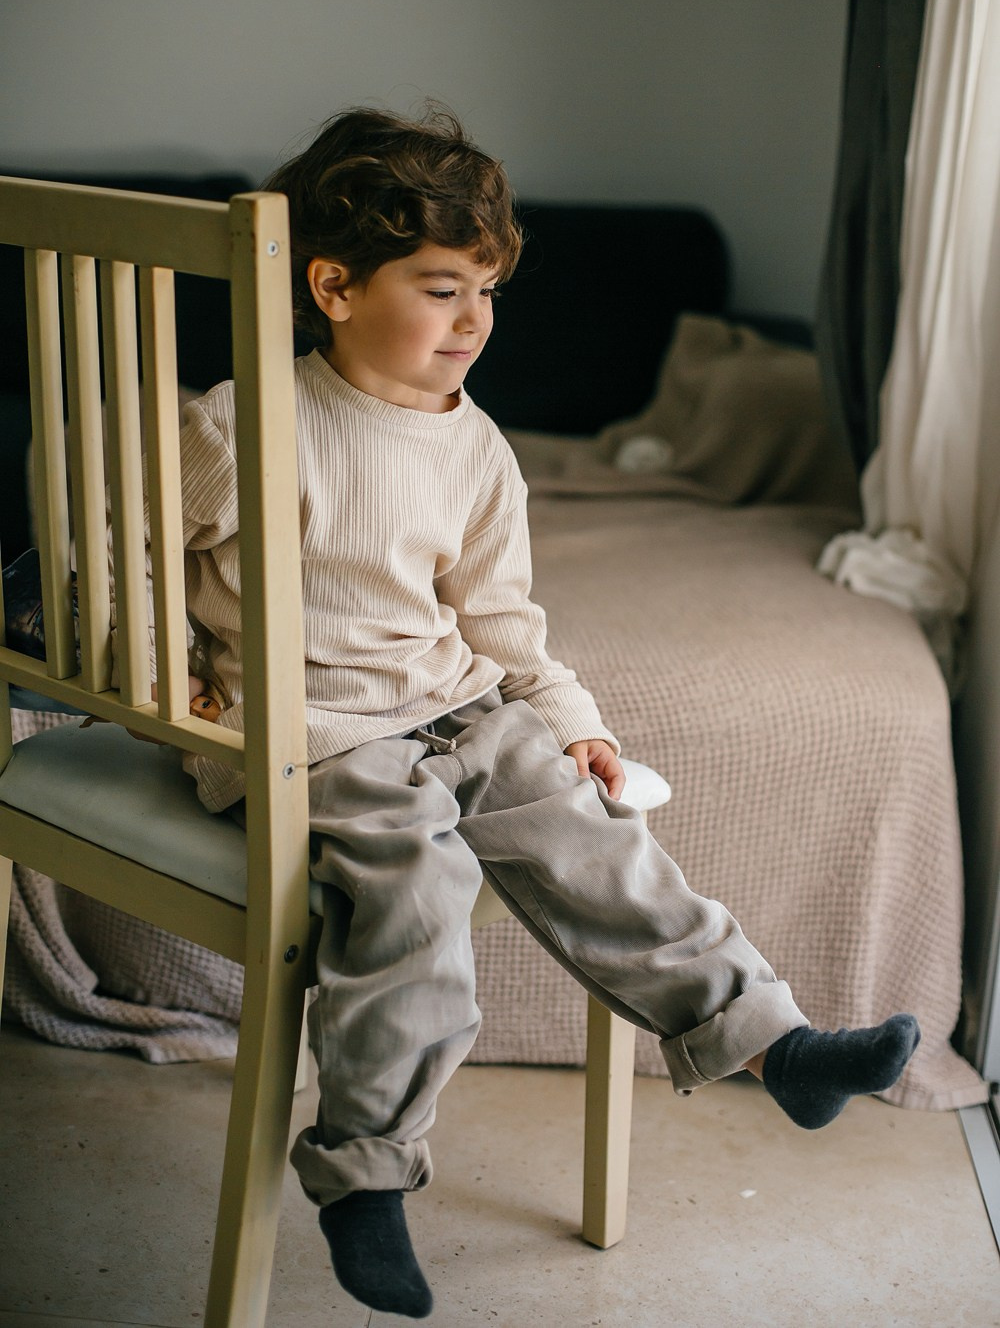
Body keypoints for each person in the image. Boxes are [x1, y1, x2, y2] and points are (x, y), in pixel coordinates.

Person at [135, 107, 920, 1319]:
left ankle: (777, 1044)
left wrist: (572, 721)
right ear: (334, 287)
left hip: (449, 704)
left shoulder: (479, 450)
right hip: (311, 734)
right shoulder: (245, 424)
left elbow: (502, 624)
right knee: (418, 886)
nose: (473, 321)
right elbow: (117, 541)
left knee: (592, 830)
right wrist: (165, 667)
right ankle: (365, 1172)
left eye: (487, 292)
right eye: (441, 290)